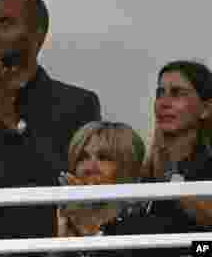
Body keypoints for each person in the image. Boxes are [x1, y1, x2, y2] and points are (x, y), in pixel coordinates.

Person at [0, 0, 101, 242]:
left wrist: (16, 124)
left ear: (39, 35)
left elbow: (77, 187)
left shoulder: (78, 104)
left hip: (48, 247)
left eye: (5, 23)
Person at [140, 60, 212, 232]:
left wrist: (170, 179)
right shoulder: (144, 169)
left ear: (206, 109)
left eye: (177, 93)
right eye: (160, 93)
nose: (164, 103)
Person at [54, 121, 146, 244]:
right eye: (83, 157)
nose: (89, 168)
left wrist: (90, 231)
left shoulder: (146, 227)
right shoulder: (56, 221)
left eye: (103, 158)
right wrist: (61, 244)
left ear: (128, 168)